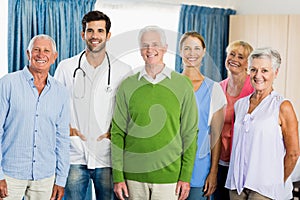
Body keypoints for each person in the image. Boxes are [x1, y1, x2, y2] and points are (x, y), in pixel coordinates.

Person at [111, 25, 198, 200]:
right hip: (133, 178)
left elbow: (190, 133)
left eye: (155, 44)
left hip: (169, 179)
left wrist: (185, 176)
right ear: (140, 49)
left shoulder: (182, 85)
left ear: (165, 48)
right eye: (145, 45)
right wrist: (118, 176)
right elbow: (117, 133)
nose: (150, 50)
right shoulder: (127, 85)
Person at [54, 11, 132, 200]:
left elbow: (128, 113)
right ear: (83, 35)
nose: (94, 36)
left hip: (107, 156)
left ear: (108, 35)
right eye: (90, 31)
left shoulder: (123, 70)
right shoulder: (66, 67)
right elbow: (54, 107)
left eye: (100, 31)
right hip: (74, 155)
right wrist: (66, 130)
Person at [0, 34, 70, 199]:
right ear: (28, 54)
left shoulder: (61, 92)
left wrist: (61, 179)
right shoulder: (7, 84)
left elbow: (62, 138)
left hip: (45, 176)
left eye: (46, 51)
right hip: (10, 174)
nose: (41, 54)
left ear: (54, 57)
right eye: (36, 50)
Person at [225, 47, 299, 199]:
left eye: (264, 70)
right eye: (253, 70)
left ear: (275, 73)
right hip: (237, 185)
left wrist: (277, 182)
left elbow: (293, 153)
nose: (258, 76)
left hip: (264, 189)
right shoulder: (240, 105)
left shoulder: (282, 106)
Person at [179, 32, 227, 200]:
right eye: (187, 48)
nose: (192, 53)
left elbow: (216, 135)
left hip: (198, 169)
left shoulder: (214, 90)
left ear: (204, 51)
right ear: (180, 51)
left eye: (197, 48)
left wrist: (213, 173)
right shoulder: (169, 85)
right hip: (168, 168)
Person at [214, 40, 254, 200]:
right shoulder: (218, 87)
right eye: (232, 54)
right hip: (219, 160)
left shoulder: (254, 88)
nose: (234, 59)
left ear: (247, 64)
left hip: (242, 163)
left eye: (241, 57)